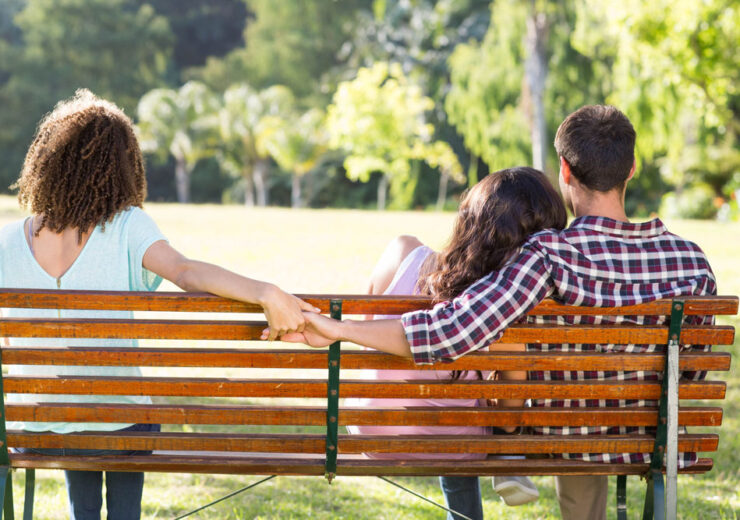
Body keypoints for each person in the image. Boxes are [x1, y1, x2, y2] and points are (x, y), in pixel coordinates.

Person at [271, 105, 717, 520]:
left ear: (565, 171)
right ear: (631, 169)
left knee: (569, 421)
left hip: (562, 437)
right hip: (654, 441)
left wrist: (339, 327)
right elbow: (691, 373)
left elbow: (450, 332)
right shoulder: (692, 262)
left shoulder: (548, 256)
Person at [0, 89, 316, 520]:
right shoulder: (127, 227)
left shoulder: (7, 243)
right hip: (116, 426)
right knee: (117, 417)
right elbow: (185, 272)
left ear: (50, 161)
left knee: (80, 424)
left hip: (35, 428)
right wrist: (265, 291)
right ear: (122, 168)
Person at [347, 167, 566, 519]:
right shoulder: (503, 305)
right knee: (463, 416)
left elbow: (365, 335)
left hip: (370, 426)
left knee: (453, 407)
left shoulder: (401, 251)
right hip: (454, 443)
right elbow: (510, 418)